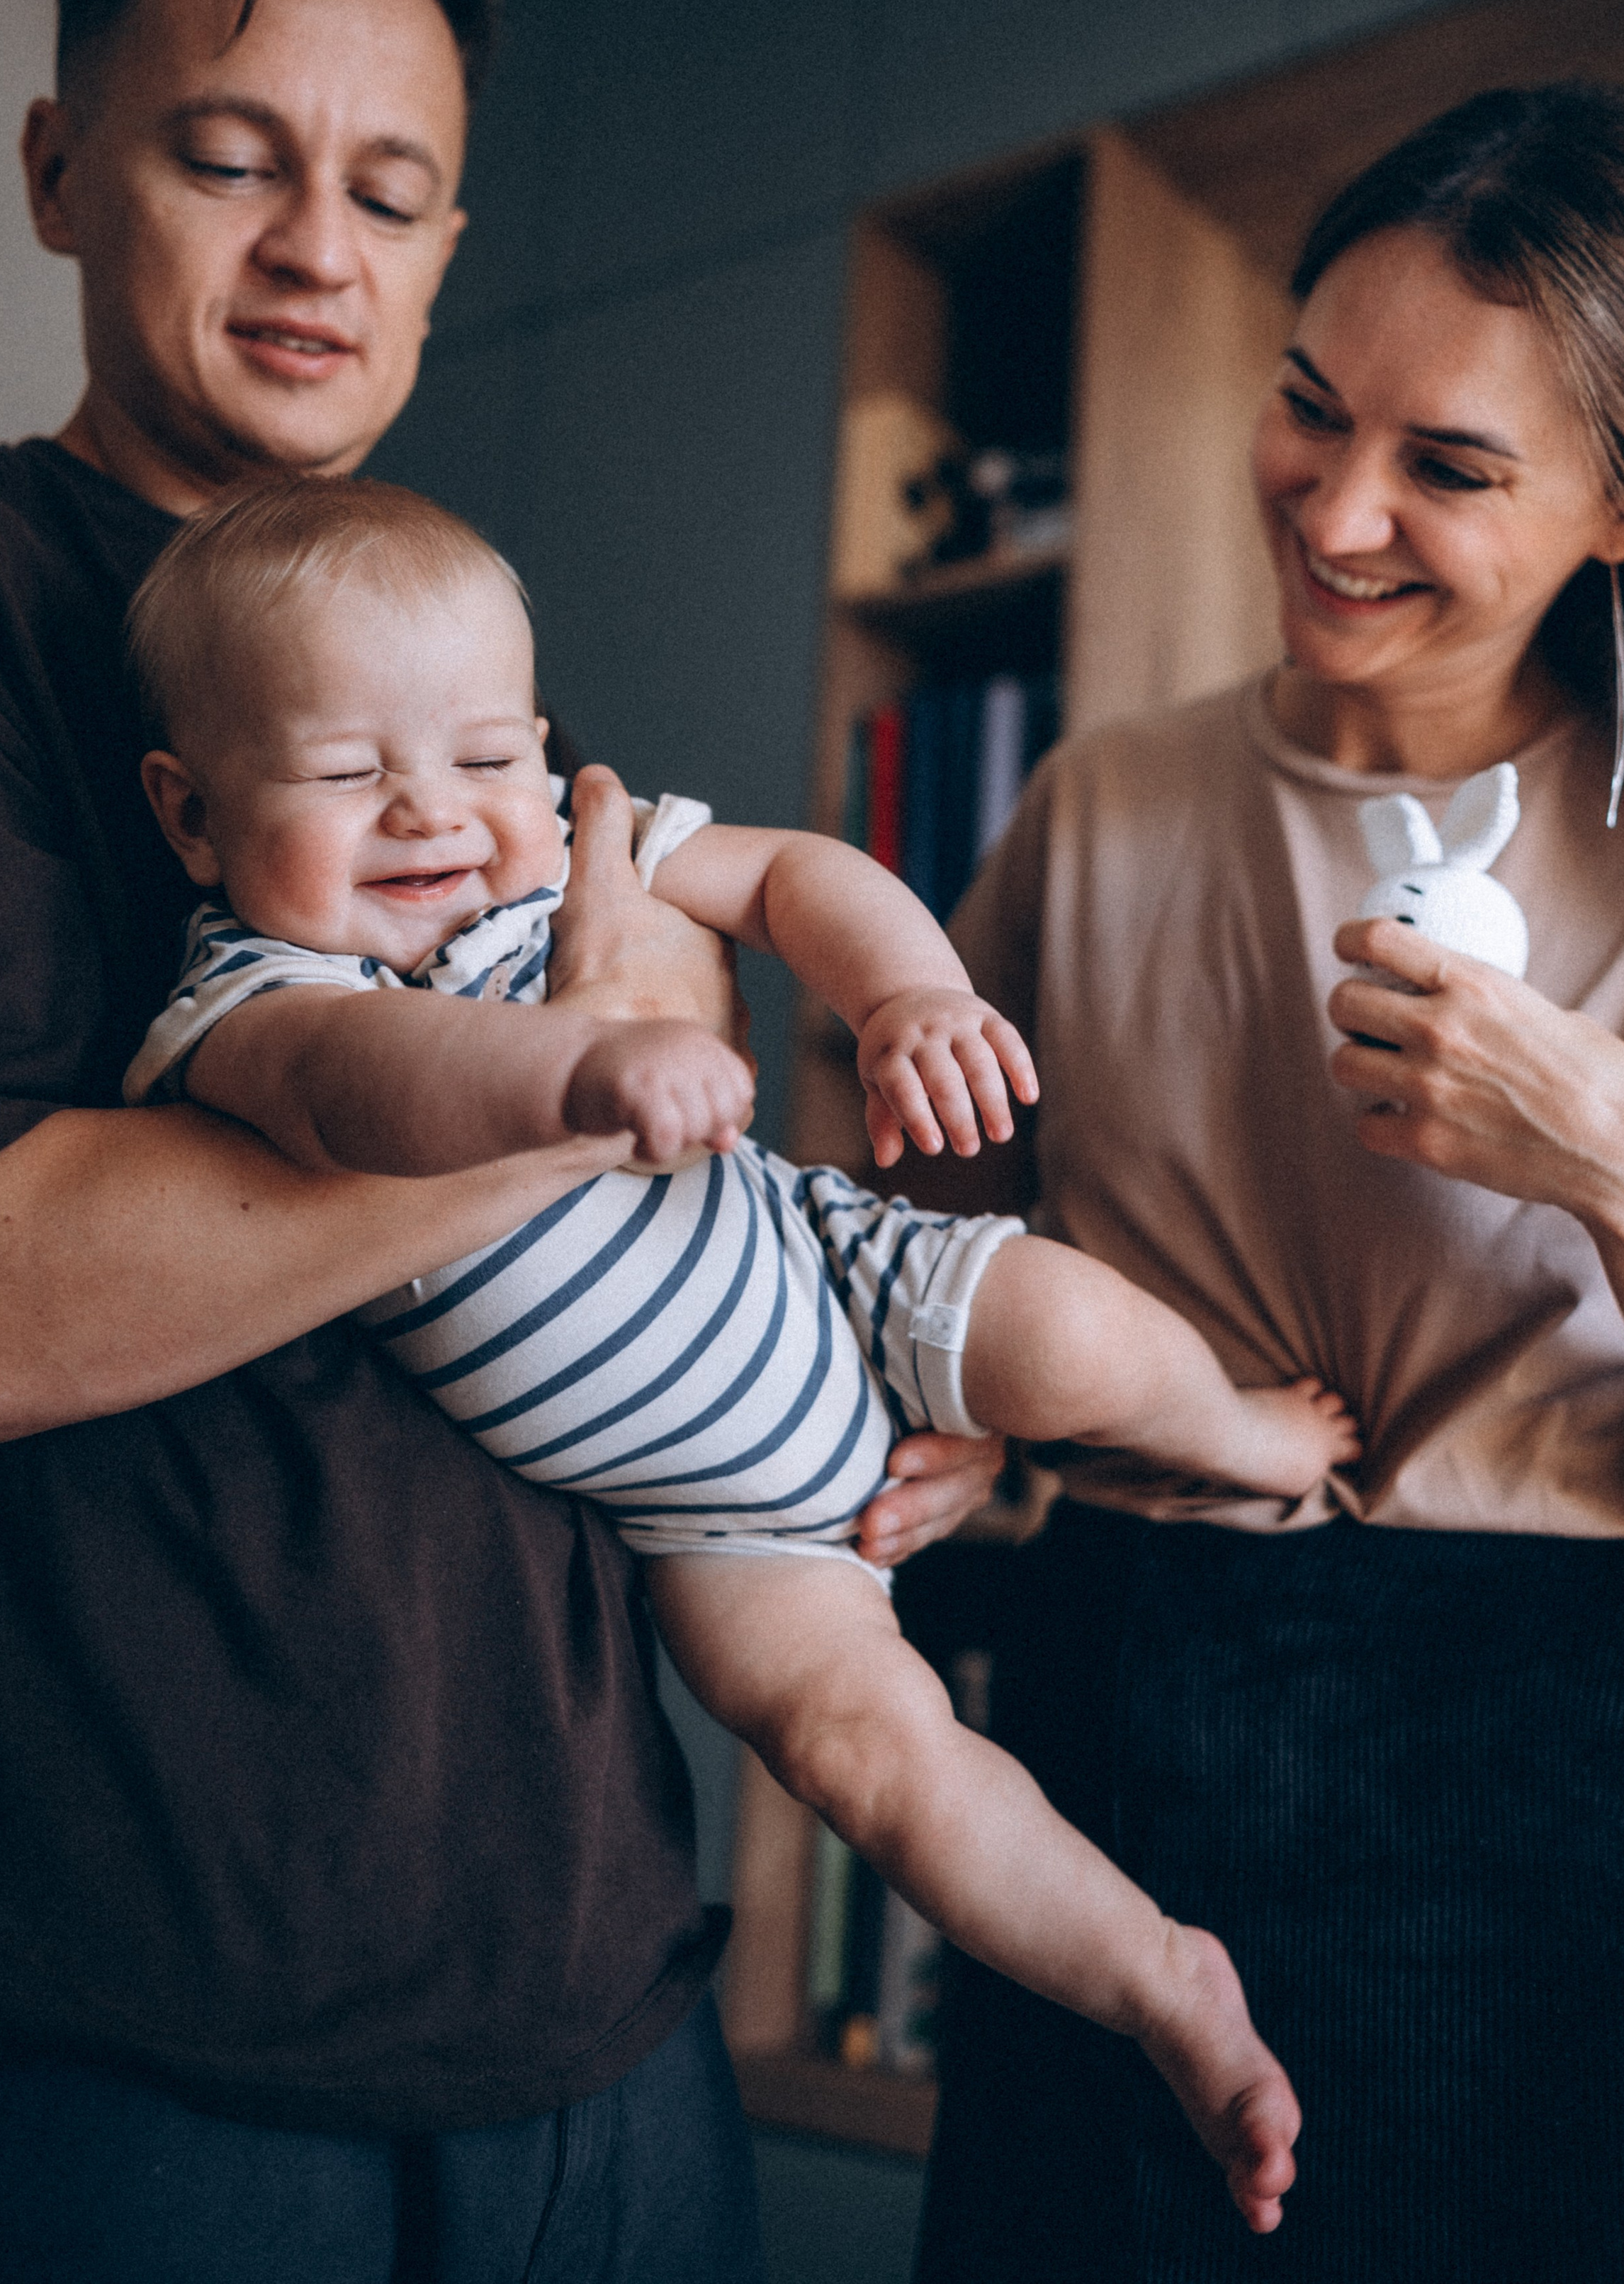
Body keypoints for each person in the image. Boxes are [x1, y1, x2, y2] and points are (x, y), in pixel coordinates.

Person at [0, 0, 1000, 2283]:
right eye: (229, 157)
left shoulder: (455, 678)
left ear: (453, 246)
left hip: (614, 2033)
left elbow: (629, 1238)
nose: (316, 250)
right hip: (131, 2064)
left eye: (390, 194)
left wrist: (822, 1375)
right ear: (65, 168)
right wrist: (584, 1081)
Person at [115, 474, 1368, 2228]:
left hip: (825, 1275)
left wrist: (903, 992)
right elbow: (355, 1098)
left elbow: (786, 872)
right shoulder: (244, 999)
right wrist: (579, 1065)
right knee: (873, 1761)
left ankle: (1231, 1434)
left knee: (1074, 1337)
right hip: (711, 1532)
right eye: (343, 775)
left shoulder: (571, 844)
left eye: (485, 755)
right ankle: (1156, 1977)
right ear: (191, 813)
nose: (435, 816)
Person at [908, 79, 1624, 2284]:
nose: (1336, 508)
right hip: (1116, 1703)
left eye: (1448, 466)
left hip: (1552, 1755)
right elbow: (916, 1247)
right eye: (1307, 407)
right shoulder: (1103, 804)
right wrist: (949, 1388)